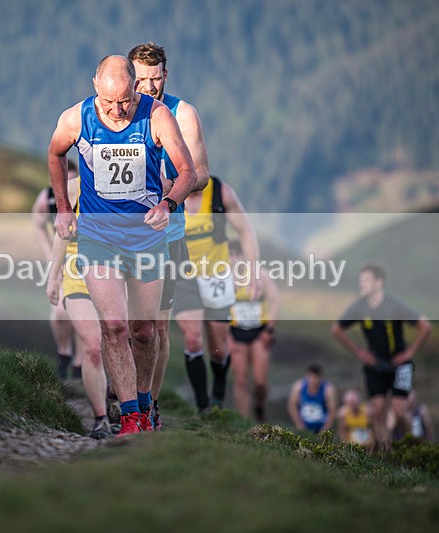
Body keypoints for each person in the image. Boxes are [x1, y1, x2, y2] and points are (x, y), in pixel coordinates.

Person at [47, 55, 197, 436]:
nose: (117, 110)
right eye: (109, 101)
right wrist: (63, 208)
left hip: (146, 238)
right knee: (114, 327)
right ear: (95, 86)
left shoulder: (157, 116)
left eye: (125, 101)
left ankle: (145, 405)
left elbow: (188, 172)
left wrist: (168, 204)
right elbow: (55, 153)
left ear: (136, 88)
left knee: (144, 331)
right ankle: (130, 418)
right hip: (98, 237)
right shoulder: (77, 118)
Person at [128, 42, 211, 431]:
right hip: (121, 232)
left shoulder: (183, 113)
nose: (148, 87)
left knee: (157, 327)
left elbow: (203, 174)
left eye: (155, 78)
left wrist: (170, 186)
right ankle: (126, 394)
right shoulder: (119, 110)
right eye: (141, 79)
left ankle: (149, 405)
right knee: (124, 323)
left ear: (166, 75)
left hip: (168, 232)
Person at [173, 175, 260, 414]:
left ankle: (219, 390)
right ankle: (203, 407)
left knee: (218, 347)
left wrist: (253, 271)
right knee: (193, 339)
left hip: (217, 276)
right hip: (183, 276)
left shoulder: (220, 192)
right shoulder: (169, 188)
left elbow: (245, 230)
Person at [331, 263, 432, 451]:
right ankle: (386, 452)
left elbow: (425, 326)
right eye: (361, 280)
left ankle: (414, 449)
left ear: (379, 283)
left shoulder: (394, 304)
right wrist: (359, 352)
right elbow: (336, 329)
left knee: (399, 411)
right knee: (376, 412)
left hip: (399, 365)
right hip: (375, 365)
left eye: (366, 281)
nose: (362, 284)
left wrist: (410, 352)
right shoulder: (359, 307)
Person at [45, 174, 112, 439]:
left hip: (118, 270)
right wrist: (53, 276)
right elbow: (61, 232)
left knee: (120, 339)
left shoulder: (132, 180)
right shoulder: (73, 188)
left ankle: (120, 400)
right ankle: (101, 418)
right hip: (77, 271)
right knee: (92, 347)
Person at [31, 160, 80, 381]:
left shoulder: (86, 194)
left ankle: (80, 364)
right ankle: (64, 352)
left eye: (72, 180)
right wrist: (50, 255)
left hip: (87, 258)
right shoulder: (48, 197)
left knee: (84, 315)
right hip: (62, 259)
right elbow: (37, 222)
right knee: (60, 312)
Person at [227, 241, 278, 422]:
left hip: (259, 331)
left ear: (245, 255)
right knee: (240, 380)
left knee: (260, 382)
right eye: (230, 254)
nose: (233, 259)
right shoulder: (225, 278)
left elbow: (274, 300)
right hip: (236, 332)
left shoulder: (260, 274)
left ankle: (259, 407)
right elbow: (219, 308)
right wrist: (227, 336)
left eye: (237, 254)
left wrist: (269, 328)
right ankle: (243, 421)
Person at [287, 364, 337, 434]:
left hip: (321, 426)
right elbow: (291, 405)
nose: (312, 380)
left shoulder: (328, 389)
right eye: (310, 377)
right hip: (304, 426)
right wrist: (299, 424)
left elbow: (332, 410)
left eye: (315, 377)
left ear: (320, 377)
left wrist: (325, 428)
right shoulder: (298, 386)